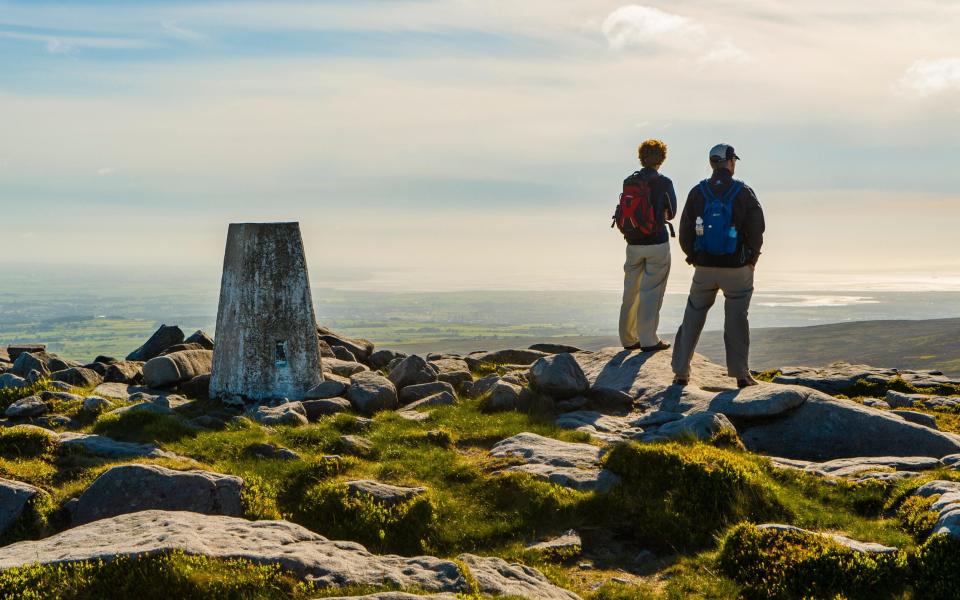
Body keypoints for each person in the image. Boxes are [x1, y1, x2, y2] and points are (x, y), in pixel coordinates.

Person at [671, 143, 765, 387]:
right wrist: (752, 259)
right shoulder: (743, 191)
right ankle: (741, 375)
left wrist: (694, 256)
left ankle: (681, 372)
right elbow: (757, 229)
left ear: (712, 163)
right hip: (737, 268)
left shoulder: (698, 191)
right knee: (736, 319)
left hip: (704, 267)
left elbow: (685, 231)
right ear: (731, 161)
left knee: (693, 315)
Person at [615, 139, 677, 352]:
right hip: (656, 243)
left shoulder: (629, 181)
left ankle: (628, 339)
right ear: (661, 159)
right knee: (651, 292)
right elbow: (673, 212)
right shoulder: (664, 182)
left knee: (630, 291)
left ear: (641, 157)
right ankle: (649, 340)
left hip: (632, 244)